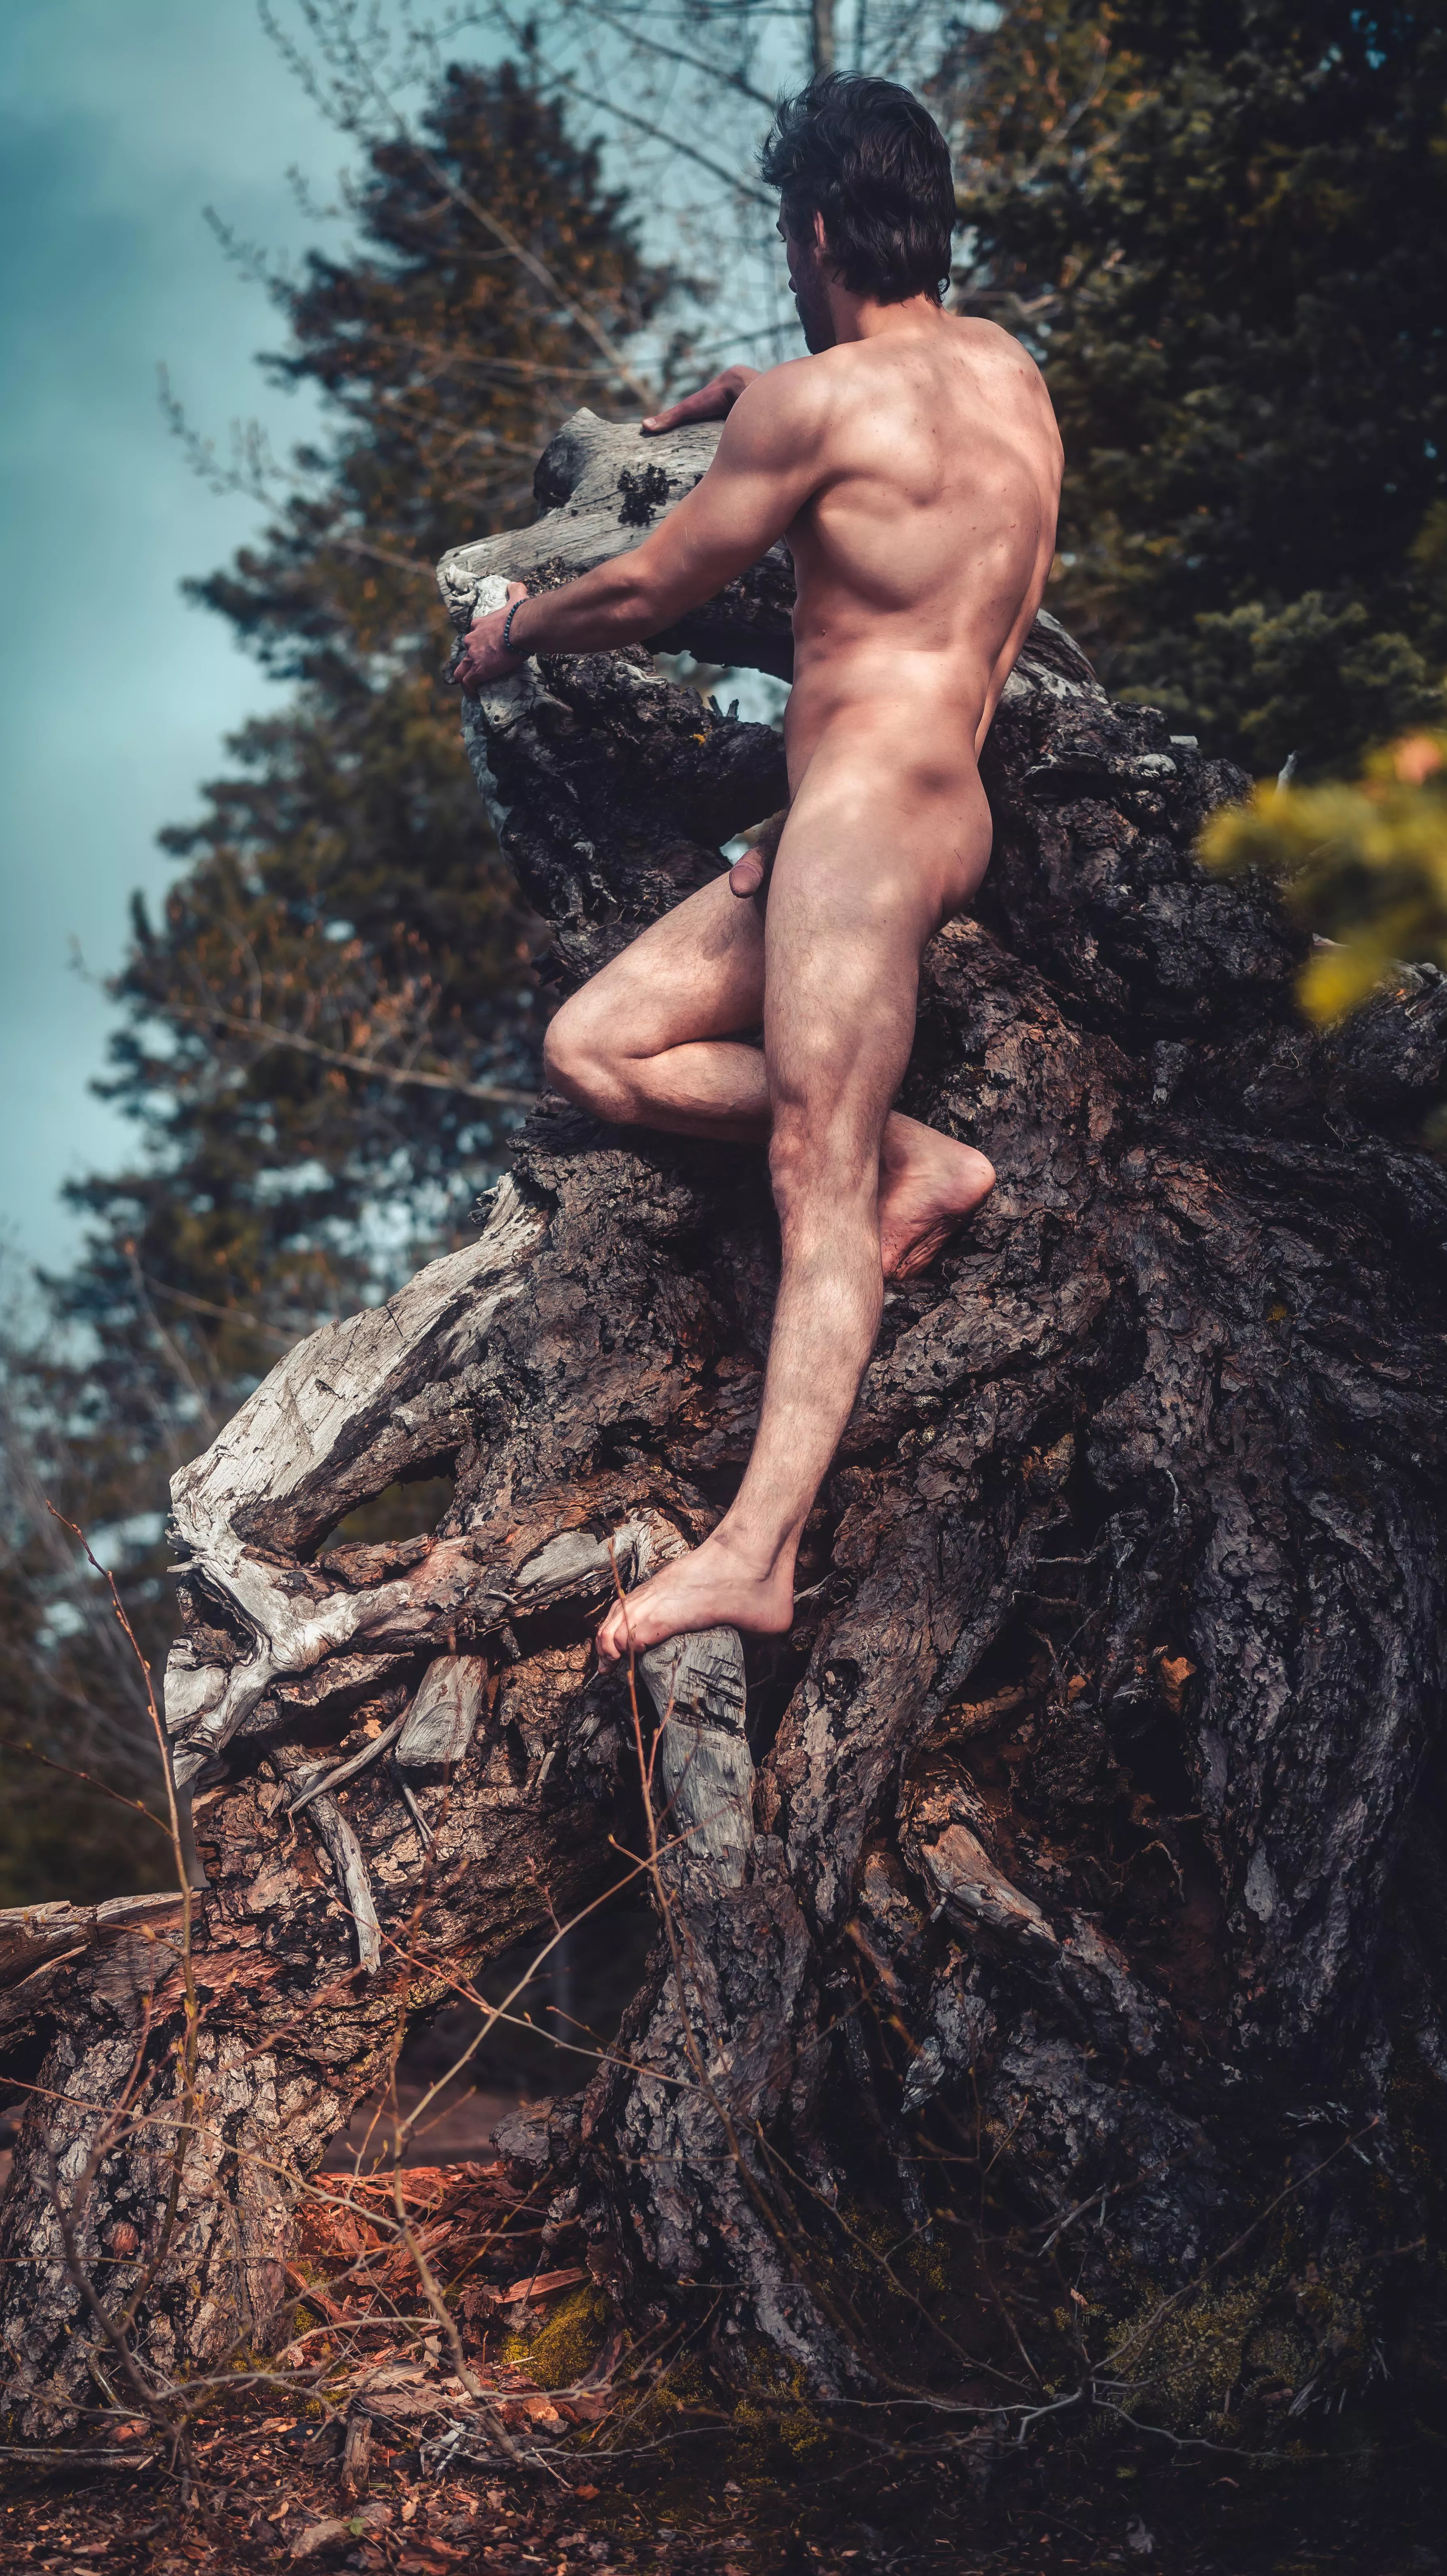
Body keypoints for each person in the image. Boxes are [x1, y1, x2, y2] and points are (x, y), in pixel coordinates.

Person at [452, 73, 1062, 1659]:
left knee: (811, 1171)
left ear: (807, 232)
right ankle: (923, 1158)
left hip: (862, 822)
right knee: (595, 1046)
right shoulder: (1009, 378)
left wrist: (511, 626)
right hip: (910, 804)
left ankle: (756, 1549)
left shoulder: (811, 410)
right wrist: (785, 391)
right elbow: (900, 473)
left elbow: (655, 584)